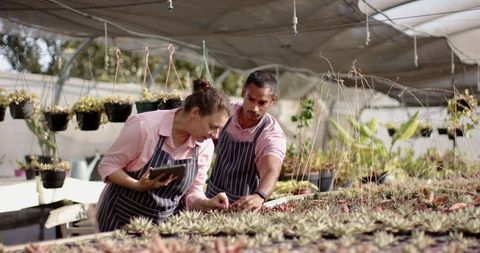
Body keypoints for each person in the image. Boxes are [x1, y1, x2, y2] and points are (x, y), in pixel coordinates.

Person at [96, 80, 232, 232]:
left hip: (164, 228)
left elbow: (192, 193)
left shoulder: (205, 146)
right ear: (195, 112)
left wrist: (207, 203)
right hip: (120, 221)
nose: (216, 135)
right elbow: (108, 166)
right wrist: (136, 185)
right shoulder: (144, 126)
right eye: (213, 127)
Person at [192, 70, 287, 212]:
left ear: (273, 100)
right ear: (243, 92)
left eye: (262, 103)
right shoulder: (227, 113)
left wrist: (260, 196)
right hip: (211, 199)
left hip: (243, 206)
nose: (255, 108)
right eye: (250, 99)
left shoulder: (271, 134)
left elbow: (271, 170)